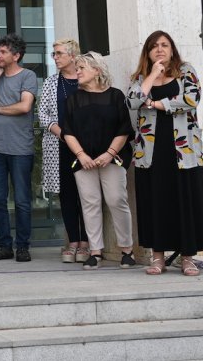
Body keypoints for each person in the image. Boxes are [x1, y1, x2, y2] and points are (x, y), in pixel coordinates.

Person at [127, 31, 203, 276]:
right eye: (154, 46)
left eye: (164, 45)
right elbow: (132, 101)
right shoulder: (141, 77)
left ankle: (187, 258)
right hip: (151, 151)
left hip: (183, 150)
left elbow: (191, 98)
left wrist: (155, 104)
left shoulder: (185, 70)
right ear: (148, 51)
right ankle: (157, 258)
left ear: (172, 49)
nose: (160, 49)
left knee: (184, 201)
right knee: (156, 202)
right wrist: (153, 74)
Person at [62, 52, 135, 270]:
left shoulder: (115, 96)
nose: (78, 72)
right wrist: (81, 155)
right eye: (77, 68)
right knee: (90, 203)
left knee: (116, 200)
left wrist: (109, 153)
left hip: (112, 158)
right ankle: (95, 252)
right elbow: (68, 131)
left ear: (97, 70)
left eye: (82, 68)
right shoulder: (74, 99)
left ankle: (127, 250)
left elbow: (124, 128)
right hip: (83, 161)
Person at [0, 34, 38, 263]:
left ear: (16, 55)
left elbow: (24, 106)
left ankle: (22, 246)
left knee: (22, 200)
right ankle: (4, 245)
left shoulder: (28, 76)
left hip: (21, 149)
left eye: (3, 52)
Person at [38, 39, 90, 264]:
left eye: (59, 53)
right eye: (53, 54)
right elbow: (43, 115)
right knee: (67, 195)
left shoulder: (86, 80)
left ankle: (87, 243)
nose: (55, 57)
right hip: (58, 145)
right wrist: (64, 134)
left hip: (87, 146)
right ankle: (72, 242)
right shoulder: (51, 83)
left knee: (87, 195)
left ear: (72, 55)